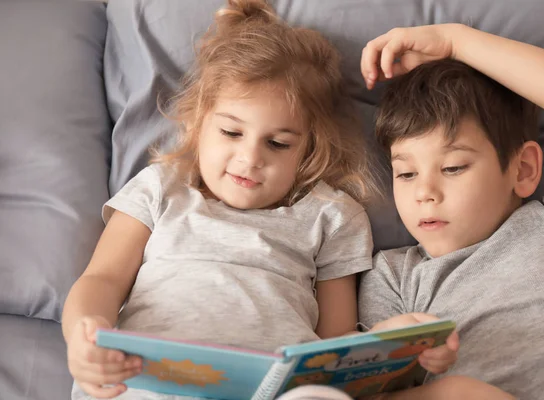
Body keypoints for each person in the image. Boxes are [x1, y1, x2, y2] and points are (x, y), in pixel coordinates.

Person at [61, 2, 458, 399]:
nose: (250, 158)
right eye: (232, 133)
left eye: (277, 143)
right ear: (200, 123)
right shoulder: (162, 187)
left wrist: (390, 342)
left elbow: (334, 345)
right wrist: (87, 332)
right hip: (153, 381)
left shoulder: (333, 215)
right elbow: (103, 279)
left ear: (310, 148)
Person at [358, 23, 544, 399]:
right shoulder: (393, 275)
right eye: (405, 173)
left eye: (453, 168)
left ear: (523, 170)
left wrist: (453, 41)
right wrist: (387, 346)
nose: (425, 192)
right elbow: (366, 386)